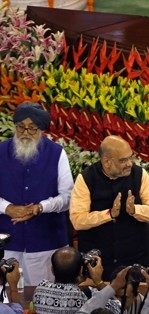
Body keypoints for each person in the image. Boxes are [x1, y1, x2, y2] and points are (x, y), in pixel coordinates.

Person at [0, 102, 74, 286]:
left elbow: (68, 197)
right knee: (9, 300)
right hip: (7, 245)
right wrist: (7, 208)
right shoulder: (1, 151)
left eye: (32, 129)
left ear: (41, 129)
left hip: (46, 244)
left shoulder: (56, 153)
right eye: (21, 127)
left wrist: (41, 208)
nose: (25, 132)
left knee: (42, 298)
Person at [70, 135, 149, 280]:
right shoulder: (86, 178)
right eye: (123, 160)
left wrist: (135, 210)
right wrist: (109, 214)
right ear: (106, 161)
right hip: (98, 263)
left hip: (134, 260)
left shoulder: (140, 174)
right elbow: (77, 220)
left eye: (130, 158)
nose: (129, 164)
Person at [33, 247, 111, 313]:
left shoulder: (40, 289)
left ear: (52, 270)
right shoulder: (84, 296)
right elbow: (116, 307)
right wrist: (98, 281)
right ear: (81, 270)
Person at [77, 266, 149, 314]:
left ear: (135, 296)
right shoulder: (94, 296)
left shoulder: (141, 302)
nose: (117, 302)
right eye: (114, 296)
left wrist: (112, 287)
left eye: (124, 298)